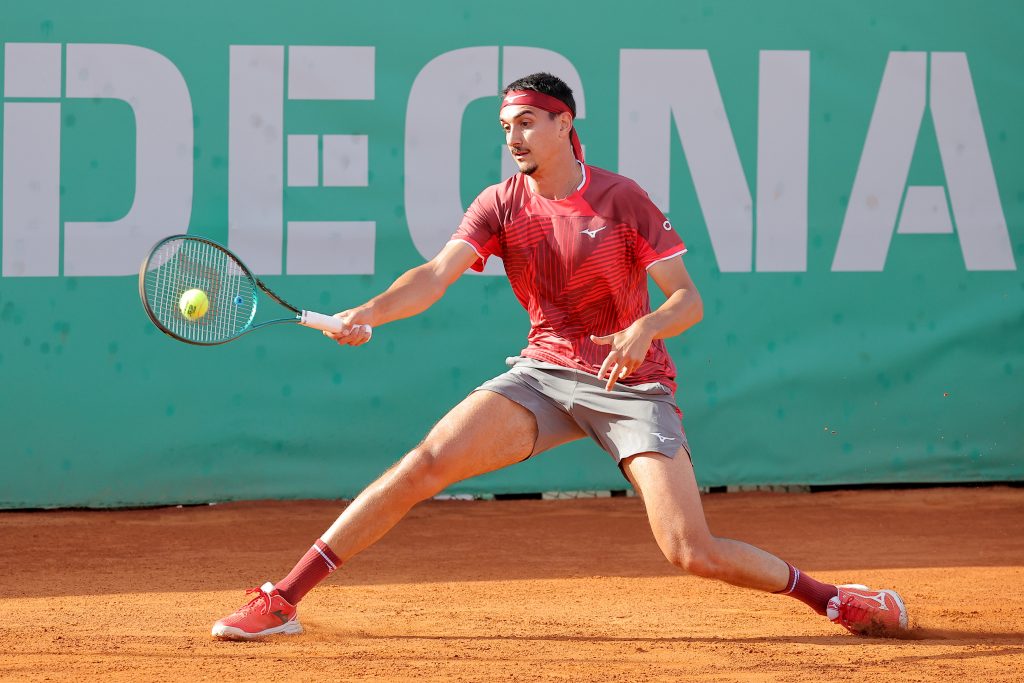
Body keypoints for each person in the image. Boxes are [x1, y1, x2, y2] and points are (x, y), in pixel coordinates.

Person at [212, 72, 908, 640]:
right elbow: (433, 275)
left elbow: (688, 300)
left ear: (563, 123)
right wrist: (367, 312)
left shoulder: (620, 198)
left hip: (632, 384)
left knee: (690, 550)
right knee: (424, 463)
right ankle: (284, 596)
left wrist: (643, 328)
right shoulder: (501, 203)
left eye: (525, 122)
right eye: (504, 126)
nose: (512, 136)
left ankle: (834, 599)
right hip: (544, 374)